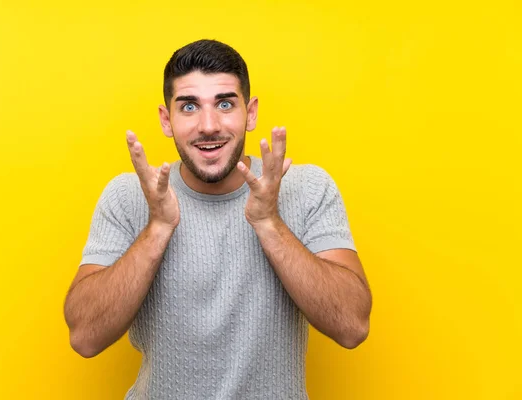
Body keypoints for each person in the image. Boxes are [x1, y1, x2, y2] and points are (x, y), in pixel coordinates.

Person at [64, 39, 372, 399]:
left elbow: (352, 326)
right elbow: (84, 337)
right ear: (167, 120)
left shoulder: (307, 188)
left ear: (251, 113)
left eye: (225, 104)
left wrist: (270, 224)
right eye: (189, 106)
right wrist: (158, 228)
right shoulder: (128, 196)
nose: (208, 125)